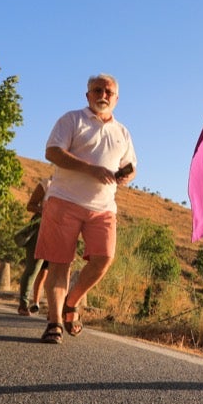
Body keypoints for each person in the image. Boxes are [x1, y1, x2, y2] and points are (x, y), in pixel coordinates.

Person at [36, 74, 136, 343]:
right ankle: (55, 322)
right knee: (59, 264)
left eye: (109, 91)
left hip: (103, 208)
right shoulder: (71, 119)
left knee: (104, 258)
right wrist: (91, 169)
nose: (103, 95)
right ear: (88, 95)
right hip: (64, 201)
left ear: (116, 98)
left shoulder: (123, 132)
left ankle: (72, 300)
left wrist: (128, 175)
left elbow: (131, 165)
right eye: (97, 90)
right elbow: (52, 152)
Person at [16, 177, 50, 316]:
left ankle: (54, 310)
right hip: (41, 227)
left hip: (61, 230)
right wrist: (46, 210)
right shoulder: (47, 184)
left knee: (54, 271)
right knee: (33, 268)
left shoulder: (74, 188)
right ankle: (23, 304)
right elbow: (30, 205)